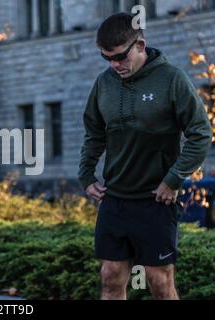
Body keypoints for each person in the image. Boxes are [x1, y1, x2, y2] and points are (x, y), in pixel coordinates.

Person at [77, 13, 213, 300]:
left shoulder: (172, 79)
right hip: (114, 198)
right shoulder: (104, 84)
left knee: (159, 281)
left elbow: (200, 133)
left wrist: (174, 179)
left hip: (155, 199)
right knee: (110, 277)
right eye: (107, 58)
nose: (115, 65)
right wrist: (86, 175)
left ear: (140, 44)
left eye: (120, 57)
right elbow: (94, 133)